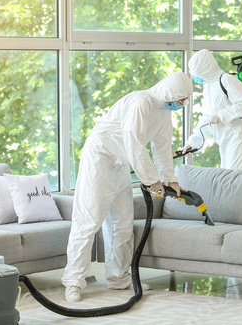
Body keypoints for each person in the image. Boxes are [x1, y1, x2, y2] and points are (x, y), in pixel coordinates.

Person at [62, 71, 193, 302]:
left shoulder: (163, 113)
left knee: (122, 223)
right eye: (181, 98)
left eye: (185, 99)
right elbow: (133, 143)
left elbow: (162, 148)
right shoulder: (141, 102)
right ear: (169, 92)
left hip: (120, 163)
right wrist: (152, 180)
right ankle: (73, 281)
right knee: (89, 219)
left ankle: (118, 277)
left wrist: (170, 178)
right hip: (100, 158)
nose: (183, 103)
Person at [183, 49, 242, 170]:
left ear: (205, 69)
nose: (195, 77)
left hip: (239, 137)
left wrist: (221, 115)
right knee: (229, 181)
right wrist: (192, 143)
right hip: (225, 140)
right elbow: (207, 119)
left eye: (196, 73)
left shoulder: (226, 79)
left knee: (238, 182)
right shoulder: (208, 86)